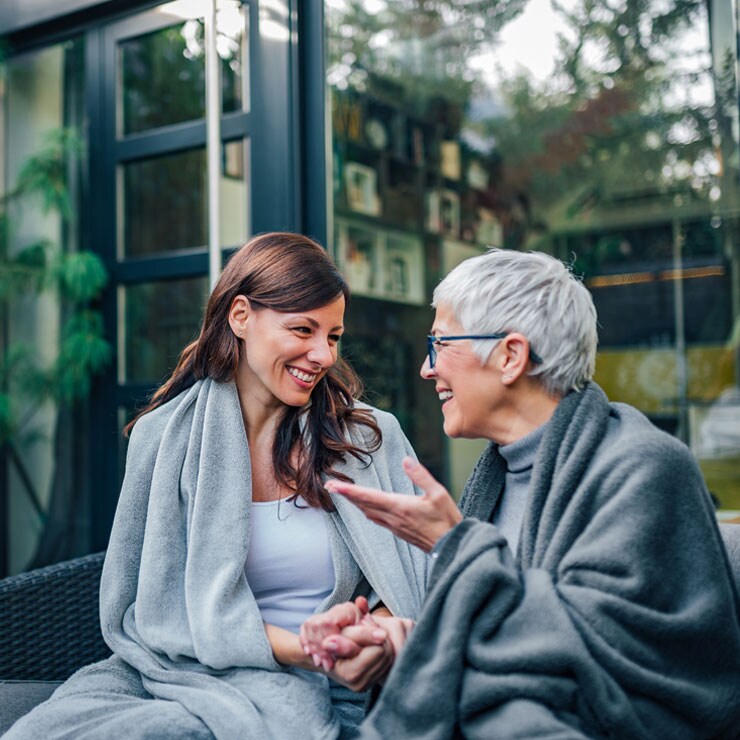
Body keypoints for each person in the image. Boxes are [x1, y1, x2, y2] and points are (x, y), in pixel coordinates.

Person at [4, 233, 427, 740]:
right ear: (240, 316)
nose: (323, 355)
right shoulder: (164, 438)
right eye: (302, 329)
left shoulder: (368, 440)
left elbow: (413, 572)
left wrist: (372, 635)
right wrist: (306, 647)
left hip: (335, 685)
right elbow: (150, 609)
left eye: (333, 337)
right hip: (182, 672)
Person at [313, 248, 740, 739]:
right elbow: (498, 636)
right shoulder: (496, 474)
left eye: (440, 344)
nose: (427, 370)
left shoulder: (644, 468)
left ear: (511, 356)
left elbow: (592, 660)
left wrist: (457, 545)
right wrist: (395, 644)